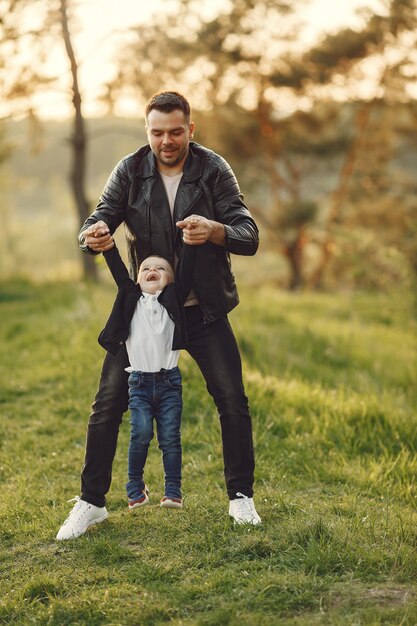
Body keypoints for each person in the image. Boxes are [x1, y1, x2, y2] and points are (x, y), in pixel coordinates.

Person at [56, 90, 261, 541]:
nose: (166, 140)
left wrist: (215, 230)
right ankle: (91, 504)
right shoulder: (130, 170)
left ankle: (241, 499)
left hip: (202, 311)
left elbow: (248, 235)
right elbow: (98, 219)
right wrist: (92, 235)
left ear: (191, 129)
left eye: (175, 131)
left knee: (232, 400)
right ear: (147, 131)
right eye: (157, 132)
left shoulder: (213, 169)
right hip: (145, 314)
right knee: (107, 404)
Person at [99, 241, 195, 511]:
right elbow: (119, 270)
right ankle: (135, 488)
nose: (152, 270)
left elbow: (186, 269)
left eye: (161, 268)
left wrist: (192, 243)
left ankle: (173, 491)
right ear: (137, 278)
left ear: (171, 280)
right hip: (138, 383)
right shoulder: (131, 298)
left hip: (169, 383)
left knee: (170, 438)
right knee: (140, 435)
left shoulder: (173, 299)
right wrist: (108, 246)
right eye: (145, 269)